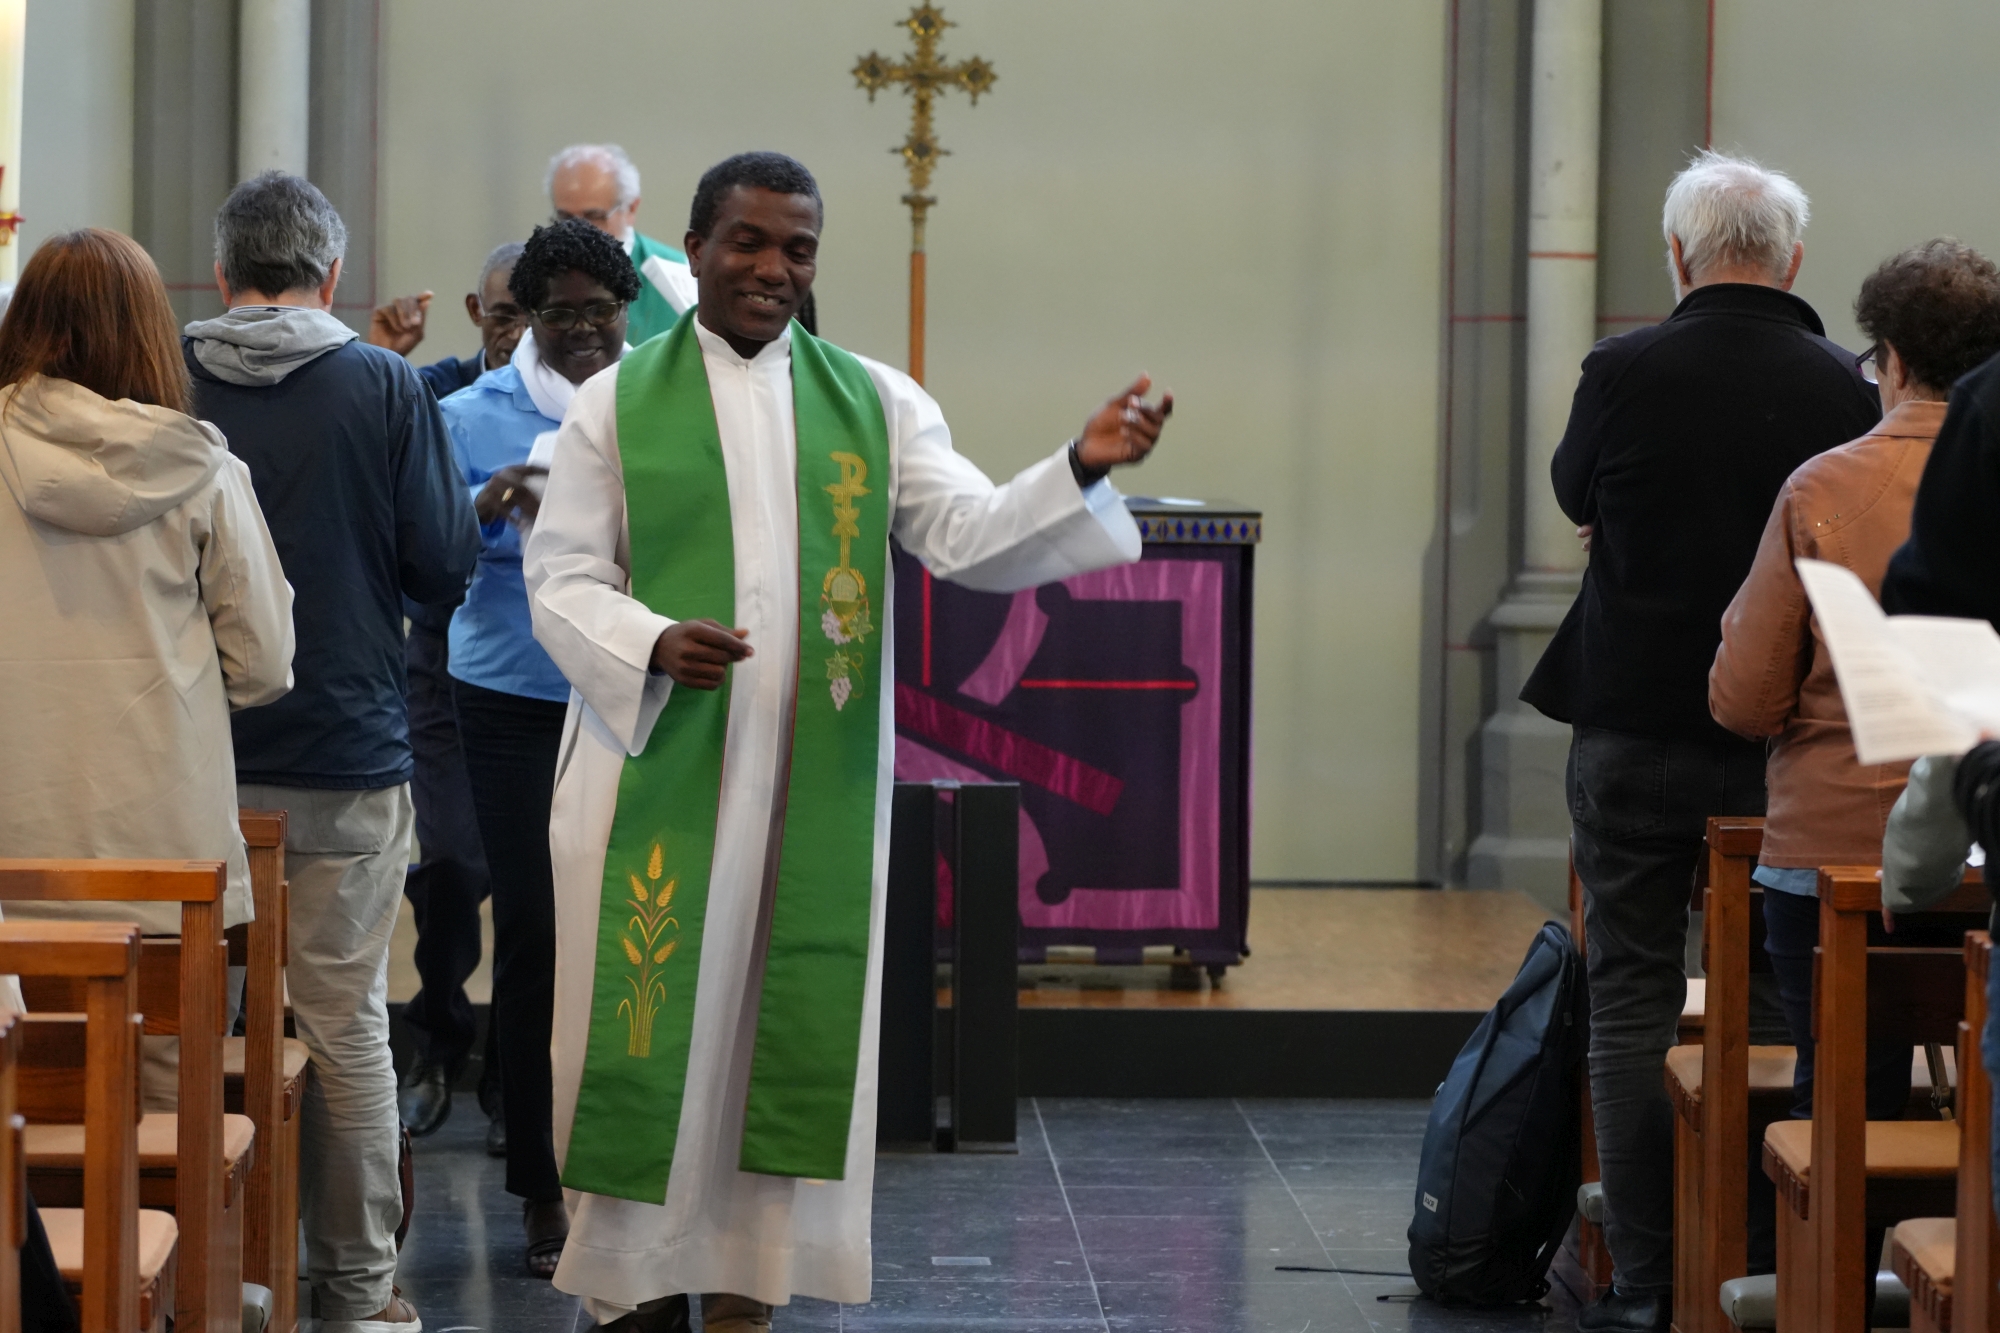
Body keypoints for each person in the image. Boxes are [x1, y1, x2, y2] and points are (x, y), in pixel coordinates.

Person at [525, 151, 1171, 1333]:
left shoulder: (872, 399)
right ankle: (625, 1284)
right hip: (649, 785)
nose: (772, 268)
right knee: (632, 1033)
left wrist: (1079, 465)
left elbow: (969, 532)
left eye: (797, 249)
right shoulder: (616, 401)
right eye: (747, 241)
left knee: (774, 1034)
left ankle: (745, 1286)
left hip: (805, 797)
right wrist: (651, 636)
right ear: (696, 244)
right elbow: (559, 573)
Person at [1518, 150, 1880, 1333]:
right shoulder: (1843, 383)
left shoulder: (1621, 367)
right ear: (1792, 260)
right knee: (1774, 994)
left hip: (1628, 725)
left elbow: (1577, 495)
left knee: (1626, 988)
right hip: (1774, 740)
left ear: (1675, 255)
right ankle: (1760, 1260)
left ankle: (1644, 1267)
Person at [183, 171, 479, 1333]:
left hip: (199, 753)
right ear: (334, 275)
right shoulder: (383, 383)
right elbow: (443, 567)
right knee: (344, 1020)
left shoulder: (172, 381)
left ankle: (213, 1278)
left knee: (201, 1018)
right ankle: (354, 1296)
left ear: (219, 272)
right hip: (348, 750)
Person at [1709, 238, 2000, 1300]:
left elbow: (1743, 696)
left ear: (1884, 360)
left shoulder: (1823, 485)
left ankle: (1833, 1286)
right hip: (1979, 855)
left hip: (1832, 845)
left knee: (1843, 1083)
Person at [0, 225, 294, 950]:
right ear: (150, 333)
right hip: (166, 862)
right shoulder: (205, 472)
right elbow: (262, 669)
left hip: (11, 855)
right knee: (169, 1064)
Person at [439, 217, 638, 1278]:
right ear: (523, 317)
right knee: (533, 929)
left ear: (624, 315)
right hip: (511, 692)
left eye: (598, 316)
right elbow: (426, 551)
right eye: (558, 316)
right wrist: (489, 503)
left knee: (629, 924)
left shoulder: (655, 404)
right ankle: (540, 1189)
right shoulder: (470, 411)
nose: (580, 336)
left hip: (628, 689)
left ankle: (631, 1167)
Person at [396, 241, 529, 1148]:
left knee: (531, 882)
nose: (522, 331)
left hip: (543, 666)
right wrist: (480, 506)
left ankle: (512, 1083)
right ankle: (439, 1040)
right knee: (449, 862)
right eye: (507, 314)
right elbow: (408, 548)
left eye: (539, 314)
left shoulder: (593, 398)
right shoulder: (443, 399)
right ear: (480, 316)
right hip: (446, 661)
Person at [548, 143, 692, 345]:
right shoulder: (540, 277)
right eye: (565, 218)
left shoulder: (680, 277)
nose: (577, 232)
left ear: (631, 209)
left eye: (593, 217)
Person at [368, 241, 529, 399]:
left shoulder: (555, 397)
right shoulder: (436, 394)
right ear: (475, 309)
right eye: (504, 317)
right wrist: (378, 363)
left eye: (535, 319)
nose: (519, 336)